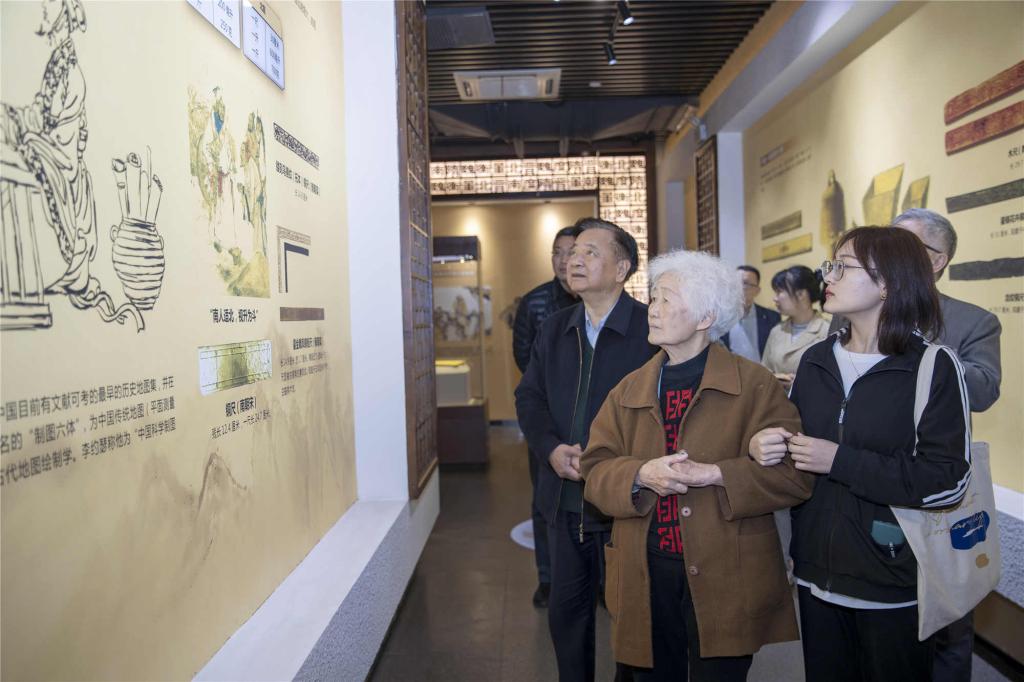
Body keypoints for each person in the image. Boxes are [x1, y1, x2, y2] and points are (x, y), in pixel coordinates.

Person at [579, 250, 814, 681]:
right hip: (646, 569)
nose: (653, 309)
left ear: (706, 316)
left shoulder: (754, 385)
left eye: (667, 299)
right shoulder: (629, 389)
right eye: (653, 298)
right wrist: (640, 474)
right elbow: (594, 471)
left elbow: (794, 477)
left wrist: (718, 473)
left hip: (727, 569)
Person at [751, 227, 972, 682]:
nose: (827, 276)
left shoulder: (932, 366)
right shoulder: (815, 360)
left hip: (891, 579)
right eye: (830, 265)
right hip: (815, 573)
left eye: (842, 267)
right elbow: (800, 450)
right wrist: (765, 444)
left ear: (888, 282)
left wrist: (840, 461)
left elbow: (948, 481)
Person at [515, 217, 656, 682]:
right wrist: (550, 448)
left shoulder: (650, 329)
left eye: (590, 252)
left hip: (628, 502)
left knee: (632, 614)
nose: (574, 259)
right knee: (567, 613)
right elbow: (529, 397)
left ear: (622, 268)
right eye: (572, 252)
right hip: (566, 499)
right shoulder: (556, 327)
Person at [512, 224, 581, 608]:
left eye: (572, 251)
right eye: (557, 252)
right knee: (545, 500)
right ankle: (548, 578)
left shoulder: (598, 300)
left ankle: (597, 580)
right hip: (547, 422)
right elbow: (524, 360)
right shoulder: (534, 302)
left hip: (594, 421)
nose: (564, 260)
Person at [761, 265, 830, 392]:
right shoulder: (777, 331)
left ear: (801, 294)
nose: (775, 298)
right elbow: (764, 369)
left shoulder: (827, 331)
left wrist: (799, 384)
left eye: (779, 292)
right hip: (776, 401)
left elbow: (831, 380)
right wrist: (775, 378)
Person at [722, 265, 780, 362]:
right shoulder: (719, 317)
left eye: (745, 283)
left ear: (757, 291)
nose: (738, 287)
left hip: (761, 370)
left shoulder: (772, 317)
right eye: (735, 283)